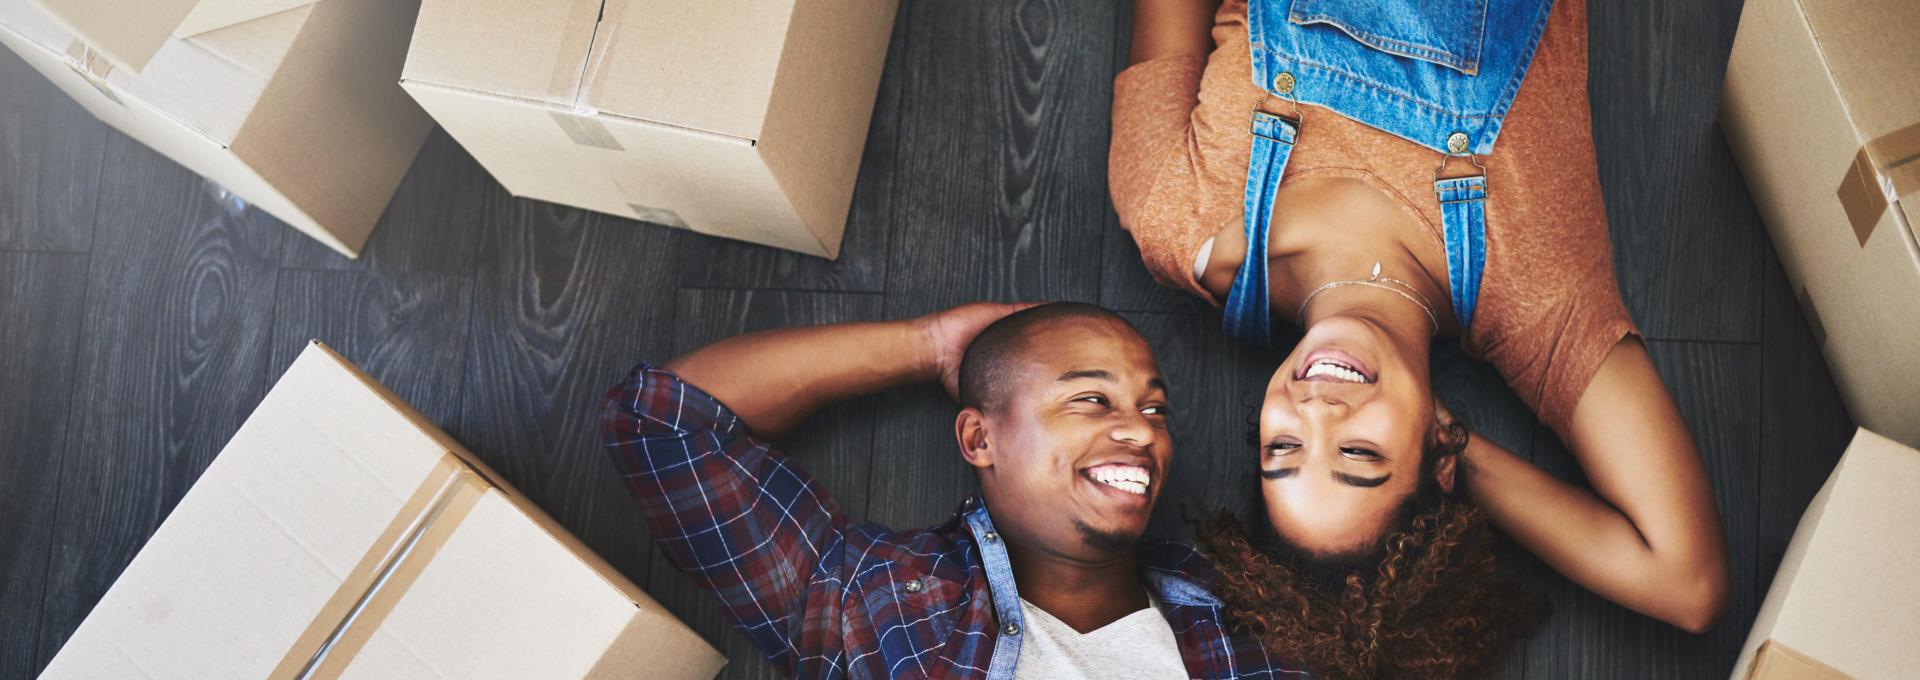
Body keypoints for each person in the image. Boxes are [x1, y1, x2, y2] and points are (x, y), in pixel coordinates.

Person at [1111, 0, 1730, 676]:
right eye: (1359, 453)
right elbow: (1686, 584)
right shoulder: (1536, 295)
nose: (1316, 412)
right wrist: (1457, 444)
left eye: (1282, 447)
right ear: (1439, 457)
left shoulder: (1172, 213)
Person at [600, 302, 1307, 679]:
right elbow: (665, 420)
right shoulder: (869, 599)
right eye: (1091, 401)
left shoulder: (1253, 610)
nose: (1141, 433)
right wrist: (929, 344)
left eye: (1154, 409)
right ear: (979, 440)